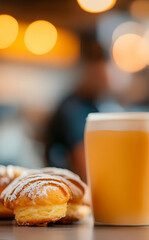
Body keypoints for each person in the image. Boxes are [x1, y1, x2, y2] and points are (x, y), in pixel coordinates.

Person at [45, 36, 121, 181]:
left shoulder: (94, 104)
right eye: (100, 75)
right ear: (88, 71)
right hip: (69, 192)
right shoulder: (74, 109)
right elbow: (87, 168)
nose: (109, 79)